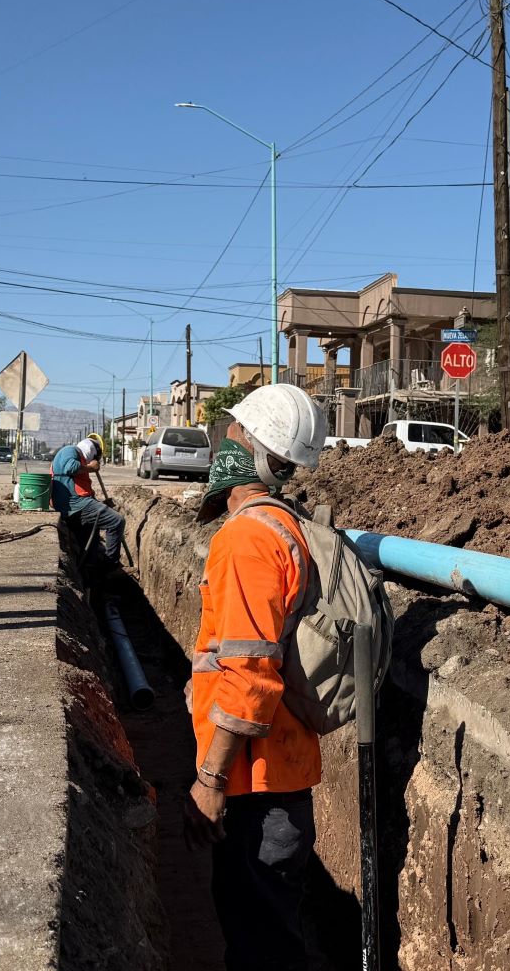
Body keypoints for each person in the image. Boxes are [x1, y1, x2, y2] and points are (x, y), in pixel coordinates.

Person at [181, 383, 330, 971]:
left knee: (260, 946)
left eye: (233, 432)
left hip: (255, 787)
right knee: (269, 937)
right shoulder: (284, 527)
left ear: (252, 449)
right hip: (279, 776)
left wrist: (211, 779)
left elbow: (248, 676)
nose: (223, 441)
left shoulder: (246, 539)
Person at [50, 433, 123, 570]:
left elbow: (80, 488)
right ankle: (111, 566)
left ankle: (90, 568)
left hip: (75, 503)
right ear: (92, 452)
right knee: (116, 521)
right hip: (74, 504)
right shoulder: (70, 450)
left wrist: (99, 503)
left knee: (91, 533)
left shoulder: (79, 458)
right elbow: (70, 467)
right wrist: (91, 467)